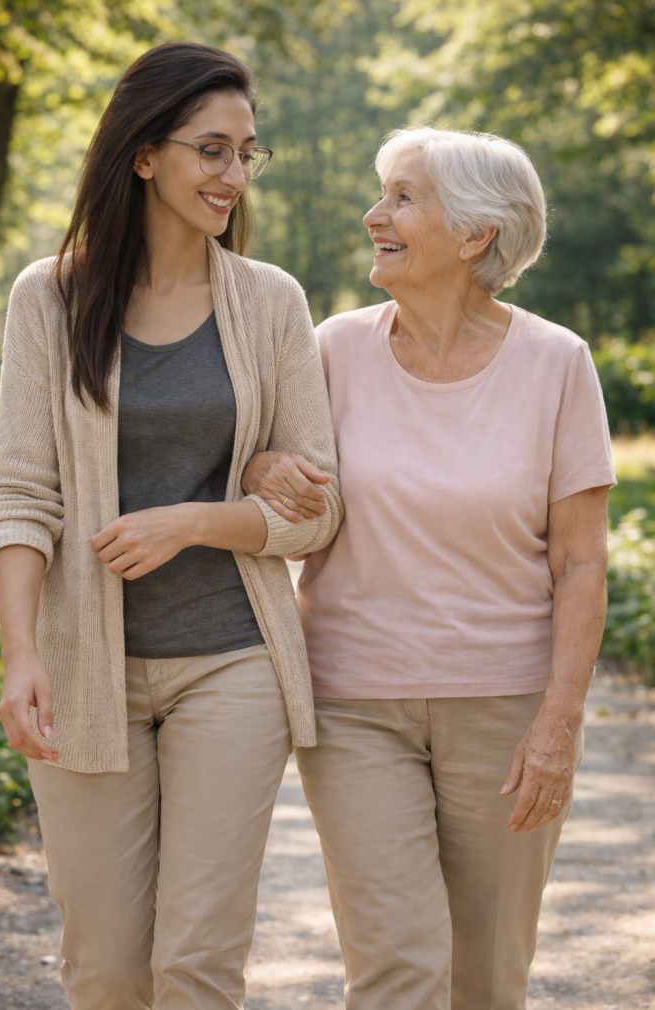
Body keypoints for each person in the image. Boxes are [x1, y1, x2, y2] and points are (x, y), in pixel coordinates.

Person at [0, 41, 342, 1010]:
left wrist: (193, 520)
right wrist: (23, 657)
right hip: (84, 671)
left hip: (233, 663)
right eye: (210, 150)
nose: (233, 176)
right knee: (103, 971)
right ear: (144, 153)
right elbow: (19, 493)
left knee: (196, 965)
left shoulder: (271, 306)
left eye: (245, 154)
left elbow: (317, 512)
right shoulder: (47, 300)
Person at [242, 127, 615, 1009]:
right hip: (354, 703)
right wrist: (262, 467)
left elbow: (580, 565)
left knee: (485, 978)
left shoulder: (558, 364)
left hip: (507, 709)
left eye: (404, 198)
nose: (376, 215)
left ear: (477, 234)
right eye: (383, 195)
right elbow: (260, 462)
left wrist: (557, 724)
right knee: (398, 968)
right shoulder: (330, 348)